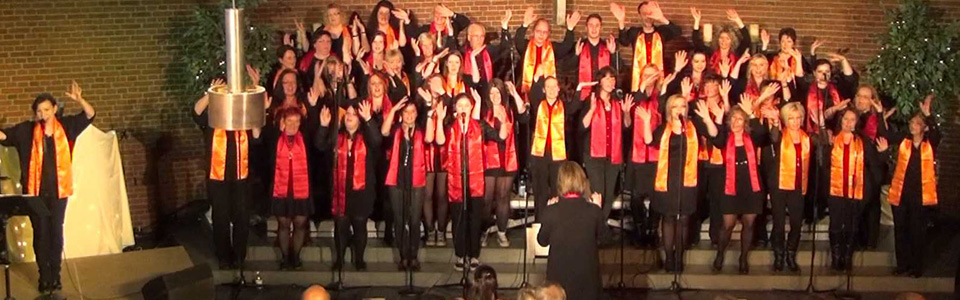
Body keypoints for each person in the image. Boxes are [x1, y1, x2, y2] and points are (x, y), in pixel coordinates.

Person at [0, 82, 95, 293]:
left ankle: (56, 276)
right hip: (35, 194)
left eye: (45, 110)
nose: (42, 114)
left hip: (59, 192)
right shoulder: (26, 130)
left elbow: (89, 115)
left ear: (53, 109)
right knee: (41, 234)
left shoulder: (66, 127)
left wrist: (79, 100)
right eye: (38, 111)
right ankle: (44, 277)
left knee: (56, 233)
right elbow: (4, 136)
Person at [636, 94, 718, 272]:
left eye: (683, 106)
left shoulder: (693, 127)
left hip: (688, 179)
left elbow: (713, 134)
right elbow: (649, 141)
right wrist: (646, 122)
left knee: (684, 219)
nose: (680, 110)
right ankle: (669, 258)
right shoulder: (664, 128)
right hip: (667, 179)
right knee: (668, 218)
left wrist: (706, 118)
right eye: (676, 106)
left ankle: (679, 257)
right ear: (669, 110)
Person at [191, 79, 263, 271]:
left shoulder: (243, 118)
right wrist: (212, 93)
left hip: (242, 177)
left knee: (241, 216)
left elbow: (256, 136)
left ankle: (239, 256)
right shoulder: (213, 120)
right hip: (218, 177)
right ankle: (223, 257)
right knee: (220, 217)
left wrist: (252, 100)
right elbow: (195, 112)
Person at [440, 92, 509, 271]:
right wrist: (439, 121)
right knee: (458, 217)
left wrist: (504, 122)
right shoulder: (450, 125)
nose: (463, 108)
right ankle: (460, 255)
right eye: (459, 105)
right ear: (455, 108)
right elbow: (439, 140)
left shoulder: (480, 126)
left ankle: (474, 255)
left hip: (476, 180)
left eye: (466, 105)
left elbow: (500, 137)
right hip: (456, 180)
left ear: (471, 107)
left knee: (474, 218)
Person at [316, 102, 382, 271]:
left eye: (354, 114)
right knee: (341, 226)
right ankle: (339, 259)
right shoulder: (337, 137)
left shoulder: (366, 137)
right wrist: (324, 126)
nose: (350, 117)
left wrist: (368, 119)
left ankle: (359, 259)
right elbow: (319, 145)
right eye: (348, 114)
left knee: (360, 226)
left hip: (362, 191)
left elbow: (377, 141)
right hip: (341, 189)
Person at [708, 97, 769, 274]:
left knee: (749, 224)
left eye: (740, 118)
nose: (736, 122)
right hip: (730, 184)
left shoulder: (753, 137)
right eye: (733, 118)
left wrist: (751, 111)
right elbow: (715, 138)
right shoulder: (725, 138)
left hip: (751, 184)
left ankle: (743, 258)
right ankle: (720, 253)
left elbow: (763, 133)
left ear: (745, 122)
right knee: (728, 224)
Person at [826, 108, 888, 271]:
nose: (848, 123)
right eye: (845, 119)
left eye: (852, 120)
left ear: (856, 122)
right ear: (841, 120)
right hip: (835, 191)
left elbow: (874, 166)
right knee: (836, 225)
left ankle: (847, 257)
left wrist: (882, 155)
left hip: (856, 191)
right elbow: (823, 165)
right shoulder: (832, 139)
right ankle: (836, 257)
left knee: (852, 225)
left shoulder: (863, 142)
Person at [381, 98, 439, 271]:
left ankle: (413, 255)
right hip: (396, 179)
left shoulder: (420, 131)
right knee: (399, 219)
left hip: (417, 179)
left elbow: (430, 138)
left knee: (414, 219)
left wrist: (429, 115)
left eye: (413, 112)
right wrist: (393, 110)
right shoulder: (395, 130)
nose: (409, 115)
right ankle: (403, 255)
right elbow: (384, 132)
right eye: (406, 112)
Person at [537, 161, 608, 300]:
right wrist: (599, 210)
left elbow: (542, 241)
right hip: (587, 282)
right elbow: (606, 239)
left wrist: (547, 212)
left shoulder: (552, 211)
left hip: (558, 283)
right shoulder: (593, 211)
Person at [886, 95, 938, 278]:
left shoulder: (929, 143)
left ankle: (916, 267)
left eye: (917, 123)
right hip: (901, 194)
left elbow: (937, 133)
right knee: (900, 231)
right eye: (912, 123)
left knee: (917, 232)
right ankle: (902, 266)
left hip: (920, 195)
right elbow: (885, 135)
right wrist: (880, 115)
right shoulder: (904, 140)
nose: (912, 126)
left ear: (924, 127)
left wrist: (928, 115)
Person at [268, 107, 318, 270]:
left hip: (301, 189)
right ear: (282, 122)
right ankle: (284, 258)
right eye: (289, 120)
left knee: (300, 224)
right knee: (283, 225)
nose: (293, 124)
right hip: (281, 189)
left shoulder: (305, 139)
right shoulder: (275, 138)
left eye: (297, 121)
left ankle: (295, 256)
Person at [527, 77, 583, 221]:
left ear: (559, 89)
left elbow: (575, 106)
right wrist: (536, 78)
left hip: (558, 155)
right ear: (544, 90)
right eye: (548, 87)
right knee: (540, 191)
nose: (551, 90)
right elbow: (532, 93)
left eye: (554, 87)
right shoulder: (538, 105)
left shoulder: (564, 106)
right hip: (540, 154)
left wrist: (579, 89)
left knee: (557, 188)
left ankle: (556, 222)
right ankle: (540, 222)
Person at [480, 80, 527, 247]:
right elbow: (491, 135)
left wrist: (514, 94)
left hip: (508, 160)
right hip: (489, 160)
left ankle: (501, 231)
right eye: (492, 93)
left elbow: (524, 114)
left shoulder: (510, 110)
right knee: (486, 199)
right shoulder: (483, 112)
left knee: (503, 197)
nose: (495, 96)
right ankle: (484, 230)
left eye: (498, 93)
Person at [579, 67, 629, 220]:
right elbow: (582, 126)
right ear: (599, 81)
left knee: (609, 195)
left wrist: (626, 112)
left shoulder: (617, 102)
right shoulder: (591, 100)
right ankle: (594, 227)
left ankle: (600, 227)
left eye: (612, 78)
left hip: (613, 156)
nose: (610, 81)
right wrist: (592, 109)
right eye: (606, 78)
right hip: (595, 155)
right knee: (598, 192)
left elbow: (627, 126)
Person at [626, 64, 668, 246]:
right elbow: (629, 118)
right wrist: (642, 87)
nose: (650, 78)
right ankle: (639, 228)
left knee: (656, 195)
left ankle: (652, 229)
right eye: (646, 75)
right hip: (637, 153)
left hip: (656, 154)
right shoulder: (635, 96)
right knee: (635, 196)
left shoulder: (661, 98)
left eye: (653, 75)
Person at [611, 1, 681, 91]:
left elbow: (678, 32)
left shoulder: (662, 32)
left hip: (658, 78)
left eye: (650, 13)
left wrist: (662, 18)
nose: (648, 17)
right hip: (639, 79)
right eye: (644, 13)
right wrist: (621, 22)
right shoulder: (634, 32)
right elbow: (624, 41)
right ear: (640, 15)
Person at [417, 76, 451, 247]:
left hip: (444, 153)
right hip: (427, 152)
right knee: (428, 195)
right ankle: (430, 230)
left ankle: (442, 230)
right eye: (432, 82)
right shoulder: (421, 102)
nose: (435, 85)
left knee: (442, 194)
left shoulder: (447, 102)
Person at [512, 7, 577, 94]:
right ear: (533, 31)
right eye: (538, 31)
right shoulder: (526, 46)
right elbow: (518, 41)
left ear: (548, 34)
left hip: (546, 92)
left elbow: (566, 46)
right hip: (527, 91)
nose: (541, 35)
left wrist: (570, 29)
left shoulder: (552, 48)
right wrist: (525, 25)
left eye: (545, 32)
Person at [690, 8, 750, 75]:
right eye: (721, 38)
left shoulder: (737, 53)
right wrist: (697, 21)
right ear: (717, 39)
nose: (724, 41)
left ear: (732, 41)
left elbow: (747, 39)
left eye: (727, 38)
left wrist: (738, 20)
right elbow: (696, 42)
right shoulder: (711, 52)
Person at [573, 14, 618, 101]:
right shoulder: (579, 46)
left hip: (604, 94)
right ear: (586, 27)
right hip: (583, 95)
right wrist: (576, 55)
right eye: (591, 25)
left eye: (597, 25)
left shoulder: (607, 46)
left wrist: (612, 54)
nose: (594, 28)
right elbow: (567, 68)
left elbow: (618, 69)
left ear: (601, 28)